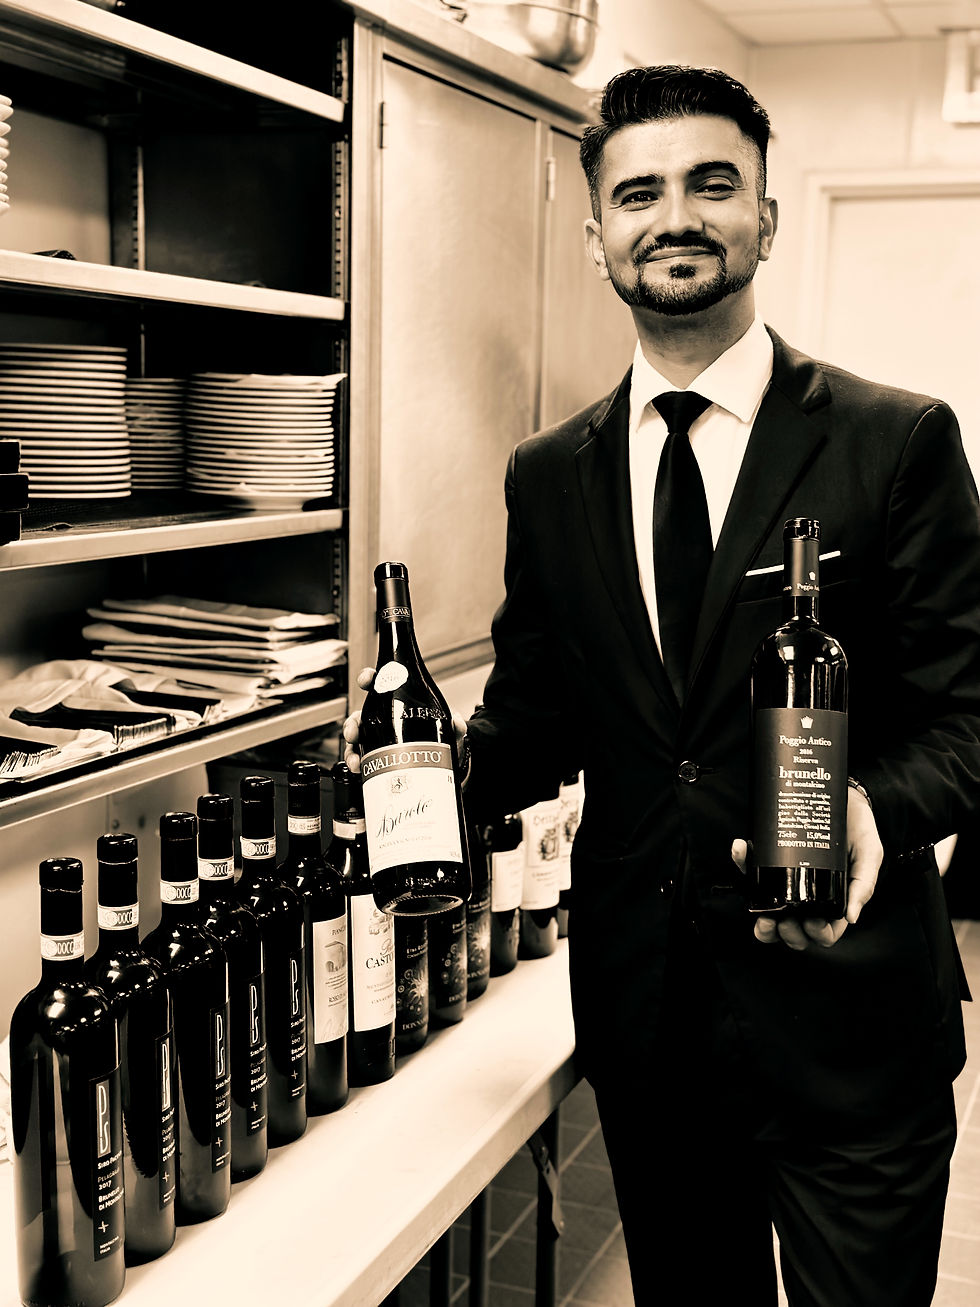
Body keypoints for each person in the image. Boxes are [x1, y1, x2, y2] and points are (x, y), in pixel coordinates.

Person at [345, 66, 980, 1306]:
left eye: (710, 184)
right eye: (636, 193)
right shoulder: (548, 474)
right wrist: (402, 791)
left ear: (764, 216)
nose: (672, 216)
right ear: (595, 237)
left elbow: (967, 716)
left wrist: (868, 809)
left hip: (849, 1024)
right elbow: (533, 716)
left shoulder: (891, 438)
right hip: (651, 1028)